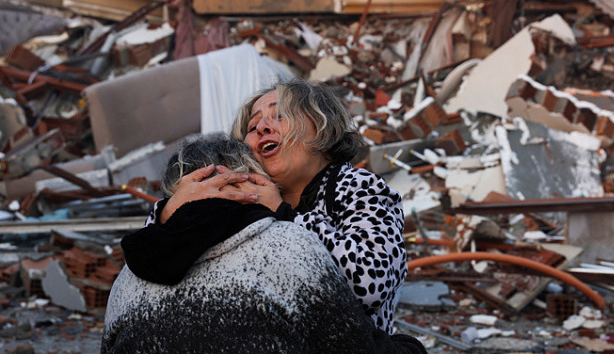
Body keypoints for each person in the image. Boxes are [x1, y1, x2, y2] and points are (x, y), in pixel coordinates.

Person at [123, 79, 407, 332]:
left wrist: (285, 215)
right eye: (252, 126)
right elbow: (158, 264)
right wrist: (171, 212)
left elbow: (370, 285)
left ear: (322, 128)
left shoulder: (358, 187)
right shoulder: (243, 196)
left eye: (280, 115)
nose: (262, 127)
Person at [102, 133, 425, 354]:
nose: (263, 129)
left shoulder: (128, 278)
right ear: (246, 178)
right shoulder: (288, 247)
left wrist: (168, 211)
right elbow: (353, 346)